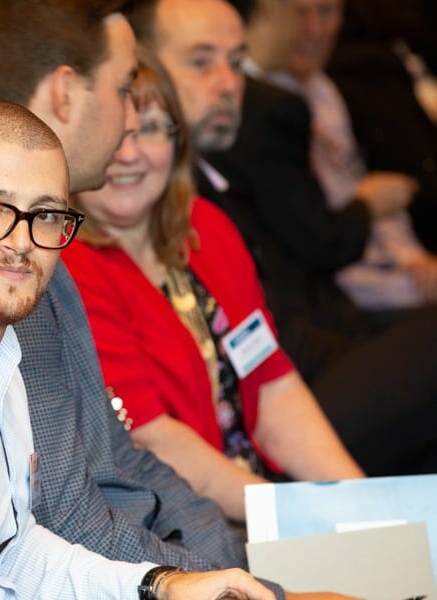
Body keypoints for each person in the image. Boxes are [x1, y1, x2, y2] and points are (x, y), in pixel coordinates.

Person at [0, 1, 323, 598]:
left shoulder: (15, 284)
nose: (18, 239)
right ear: (64, 93)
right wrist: (242, 579)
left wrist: (171, 583)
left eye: (44, 215)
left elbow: (22, 543)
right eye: (125, 88)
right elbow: (69, 515)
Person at [130, 0, 437, 477]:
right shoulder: (140, 203)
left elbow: (268, 338)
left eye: (236, 63)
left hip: (280, 390)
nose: (228, 84)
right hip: (251, 426)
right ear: (143, 72)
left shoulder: (211, 187)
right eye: (201, 62)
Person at [63, 50, 363, 522]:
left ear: (178, 142)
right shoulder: (70, 265)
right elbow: (151, 438)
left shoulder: (206, 227)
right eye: (112, 132)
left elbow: (270, 382)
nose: (129, 154)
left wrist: (356, 503)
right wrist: (294, 517)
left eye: (149, 129)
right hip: (173, 522)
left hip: (255, 495)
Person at [270, 0, 437, 309]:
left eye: (325, 12)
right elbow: (324, 257)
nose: (313, 30)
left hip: (391, 273)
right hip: (346, 302)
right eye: (299, 13)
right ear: (271, 17)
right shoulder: (267, 110)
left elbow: (365, 192)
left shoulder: (323, 89)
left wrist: (414, 259)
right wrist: (413, 285)